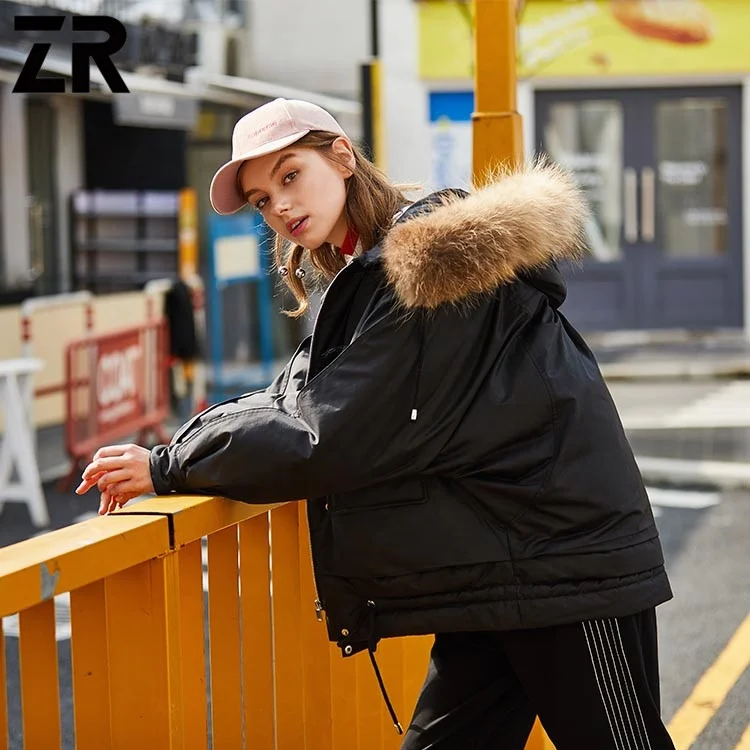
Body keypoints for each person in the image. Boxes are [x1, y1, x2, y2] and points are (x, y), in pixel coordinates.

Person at [76, 98, 676, 750]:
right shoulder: (368, 277)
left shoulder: (428, 269)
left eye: (289, 175)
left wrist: (169, 465)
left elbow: (323, 432)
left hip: (567, 566)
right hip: (499, 565)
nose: (278, 205)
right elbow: (294, 397)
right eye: (260, 199)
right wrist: (175, 453)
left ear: (340, 158)